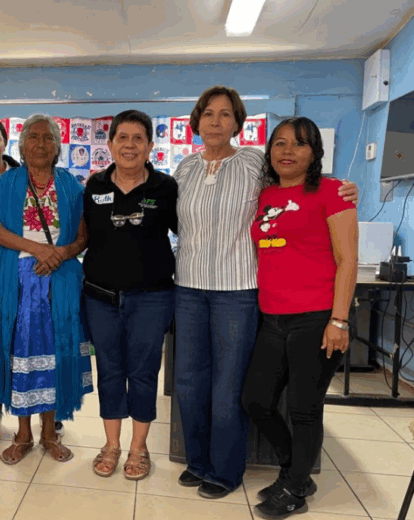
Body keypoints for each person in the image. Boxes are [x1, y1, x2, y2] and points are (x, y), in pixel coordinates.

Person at [172, 85, 358, 498]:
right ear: (197, 121)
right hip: (189, 289)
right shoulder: (184, 168)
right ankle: (197, 462)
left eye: (225, 114)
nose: (216, 121)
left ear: (238, 123)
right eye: (208, 113)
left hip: (237, 291)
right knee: (188, 382)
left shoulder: (255, 163)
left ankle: (225, 471)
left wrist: (347, 188)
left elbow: (304, 183)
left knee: (228, 388)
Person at [242, 117, 357, 519]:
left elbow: (347, 260)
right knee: (256, 400)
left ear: (314, 153)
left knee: (304, 408)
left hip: (317, 317)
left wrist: (339, 321)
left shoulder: (332, 192)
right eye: (279, 143)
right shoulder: (264, 194)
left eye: (299, 143)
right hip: (272, 316)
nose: (287, 151)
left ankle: (294, 487)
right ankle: (297, 472)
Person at [0, 114, 92, 465]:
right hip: (17, 281)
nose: (41, 144)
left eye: (48, 138)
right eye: (34, 137)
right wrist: (38, 250)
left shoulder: (71, 184)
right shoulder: (10, 181)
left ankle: (49, 434)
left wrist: (60, 254)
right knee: (20, 353)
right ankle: (23, 434)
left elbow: (83, 237)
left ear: (58, 147)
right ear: (22, 145)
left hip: (60, 282)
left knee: (57, 354)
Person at [82, 110, 177, 480]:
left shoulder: (166, 188)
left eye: (139, 138)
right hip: (100, 297)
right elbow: (81, 235)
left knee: (143, 371)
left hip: (151, 298)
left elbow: (193, 229)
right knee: (109, 370)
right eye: (122, 137)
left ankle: (139, 448)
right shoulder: (94, 186)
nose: (130, 145)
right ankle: (111, 445)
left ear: (150, 146)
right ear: (110, 144)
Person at [0, 117, 65, 441]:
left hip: (28, 273)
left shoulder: (28, 175)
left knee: (34, 342)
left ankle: (44, 405)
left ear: (6, 143)